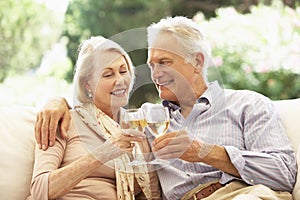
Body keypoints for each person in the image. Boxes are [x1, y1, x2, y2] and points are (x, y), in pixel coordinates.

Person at [35, 16, 297, 200]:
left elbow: (284, 174)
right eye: (151, 65)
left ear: (197, 61)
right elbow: (100, 114)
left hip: (244, 194)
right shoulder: (147, 119)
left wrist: (205, 152)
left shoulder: (247, 104)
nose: (155, 73)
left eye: (164, 62)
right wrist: (58, 102)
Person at [28, 36, 161, 200]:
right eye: (107, 74)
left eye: (123, 71)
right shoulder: (63, 121)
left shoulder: (137, 125)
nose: (119, 80)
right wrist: (104, 152)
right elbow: (40, 190)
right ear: (87, 84)